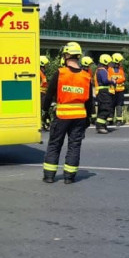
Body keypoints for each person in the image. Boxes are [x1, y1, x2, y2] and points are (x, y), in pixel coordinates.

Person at [42, 42, 95, 184]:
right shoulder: (85, 76)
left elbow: (49, 94)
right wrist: (89, 117)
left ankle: (49, 176)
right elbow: (90, 101)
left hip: (62, 116)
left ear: (66, 55)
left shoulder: (61, 73)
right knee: (74, 146)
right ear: (78, 56)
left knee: (54, 144)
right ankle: (69, 177)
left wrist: (45, 110)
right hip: (79, 117)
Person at [93, 54, 116, 133]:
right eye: (109, 62)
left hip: (103, 92)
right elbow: (105, 81)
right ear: (105, 62)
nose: (110, 64)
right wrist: (112, 81)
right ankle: (100, 126)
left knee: (103, 108)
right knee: (106, 108)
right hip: (103, 92)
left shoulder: (101, 70)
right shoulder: (102, 70)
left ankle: (102, 125)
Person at [107, 53, 127, 125]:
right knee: (111, 106)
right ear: (116, 61)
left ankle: (119, 120)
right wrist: (118, 79)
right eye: (120, 61)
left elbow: (124, 78)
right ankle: (110, 120)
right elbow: (109, 79)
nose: (121, 63)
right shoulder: (109, 69)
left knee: (119, 106)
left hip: (120, 91)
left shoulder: (121, 69)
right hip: (112, 91)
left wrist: (115, 80)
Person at [39, 55, 51, 131]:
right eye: (45, 65)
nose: (46, 66)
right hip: (40, 93)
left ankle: (46, 122)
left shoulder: (42, 72)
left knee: (45, 108)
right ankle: (44, 123)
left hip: (43, 93)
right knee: (44, 109)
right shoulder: (39, 72)